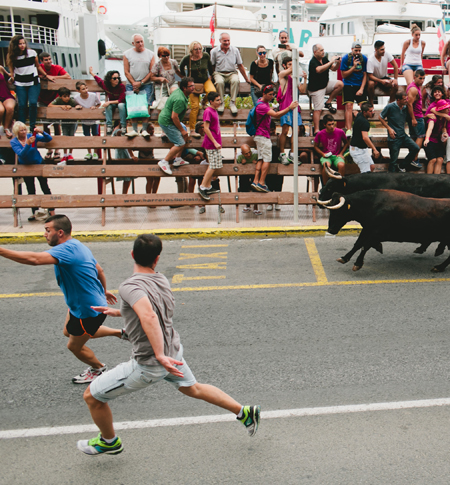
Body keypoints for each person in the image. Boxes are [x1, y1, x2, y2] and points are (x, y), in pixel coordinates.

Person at [78, 234, 260, 455]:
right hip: (174, 353)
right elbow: (151, 310)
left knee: (93, 397)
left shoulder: (129, 286)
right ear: (157, 259)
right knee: (193, 388)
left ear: (132, 255)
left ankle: (109, 441)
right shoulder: (161, 279)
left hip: (150, 363)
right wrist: (119, 312)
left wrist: (159, 354)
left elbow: (149, 316)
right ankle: (244, 413)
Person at [0, 214, 123, 384]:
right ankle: (120, 333)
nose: (44, 234)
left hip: (87, 310)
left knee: (74, 346)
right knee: (68, 331)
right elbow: (99, 270)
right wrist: (103, 291)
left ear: (59, 232)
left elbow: (34, 259)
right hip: (84, 305)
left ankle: (98, 368)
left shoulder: (65, 250)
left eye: (47, 230)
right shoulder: (78, 245)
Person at [250, 85, 298, 193]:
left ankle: (255, 180)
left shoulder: (260, 102)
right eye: (270, 94)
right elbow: (276, 115)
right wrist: (289, 108)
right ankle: (262, 182)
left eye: (273, 94)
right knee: (267, 159)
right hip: (263, 136)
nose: (272, 96)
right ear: (264, 94)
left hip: (259, 136)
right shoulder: (262, 106)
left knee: (261, 158)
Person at [9, 121, 54, 221]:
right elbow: (21, 154)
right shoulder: (14, 142)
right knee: (30, 189)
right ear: (17, 131)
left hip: (38, 163)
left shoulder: (31, 136)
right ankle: (35, 212)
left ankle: (52, 210)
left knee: (44, 186)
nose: (24, 132)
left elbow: (48, 139)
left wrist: (41, 132)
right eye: (21, 130)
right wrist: (28, 144)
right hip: (26, 167)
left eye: (25, 129)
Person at [7, 34, 50, 133]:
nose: (22, 45)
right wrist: (11, 77)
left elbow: (38, 66)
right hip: (20, 83)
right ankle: (21, 127)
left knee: (33, 103)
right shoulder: (12, 56)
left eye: (23, 43)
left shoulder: (31, 53)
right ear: (15, 45)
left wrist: (46, 75)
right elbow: (12, 70)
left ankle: (32, 126)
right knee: (22, 105)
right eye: (20, 44)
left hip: (33, 82)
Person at [157, 77, 194, 175]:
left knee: (185, 132)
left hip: (168, 119)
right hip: (167, 122)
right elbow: (174, 117)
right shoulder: (180, 99)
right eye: (190, 86)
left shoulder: (180, 93)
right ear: (184, 88)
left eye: (193, 85)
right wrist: (182, 130)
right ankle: (164, 161)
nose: (193, 88)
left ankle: (178, 158)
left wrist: (183, 130)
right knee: (180, 143)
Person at [379, 91, 420, 173]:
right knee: (393, 160)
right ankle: (391, 177)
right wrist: (389, 128)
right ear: (398, 99)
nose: (406, 101)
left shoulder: (405, 107)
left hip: (403, 135)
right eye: (404, 99)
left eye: (407, 99)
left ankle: (402, 165)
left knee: (415, 148)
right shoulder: (390, 106)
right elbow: (380, 117)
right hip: (394, 137)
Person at [180, 41, 216, 132]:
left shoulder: (205, 56)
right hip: (193, 83)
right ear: (192, 50)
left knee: (212, 92)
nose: (199, 51)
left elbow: (210, 67)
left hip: (205, 80)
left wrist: (212, 76)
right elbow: (181, 67)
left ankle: (204, 102)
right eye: (196, 49)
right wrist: (185, 78)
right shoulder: (187, 58)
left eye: (200, 48)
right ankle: (192, 129)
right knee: (195, 106)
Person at [276, 58, 306, 165]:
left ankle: (293, 154)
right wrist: (293, 67)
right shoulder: (283, 75)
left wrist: (305, 79)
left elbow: (302, 90)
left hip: (295, 107)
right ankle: (282, 153)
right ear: (284, 65)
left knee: (296, 130)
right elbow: (284, 73)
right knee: (285, 130)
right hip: (286, 106)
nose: (292, 66)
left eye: (293, 64)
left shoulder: (295, 77)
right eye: (289, 64)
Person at [210, 33, 248, 115]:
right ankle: (221, 103)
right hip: (219, 73)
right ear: (220, 41)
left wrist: (246, 79)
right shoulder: (214, 51)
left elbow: (240, 65)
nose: (227, 42)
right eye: (224, 41)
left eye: (228, 40)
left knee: (235, 80)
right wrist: (212, 77)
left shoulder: (235, 50)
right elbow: (212, 65)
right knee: (219, 82)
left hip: (232, 72)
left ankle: (232, 103)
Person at [308, 44, 342, 133]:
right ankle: (316, 130)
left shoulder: (324, 59)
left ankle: (329, 101)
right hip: (316, 88)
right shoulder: (313, 61)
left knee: (340, 84)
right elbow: (319, 70)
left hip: (325, 84)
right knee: (318, 109)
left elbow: (334, 69)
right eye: (321, 50)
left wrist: (337, 63)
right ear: (315, 52)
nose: (323, 52)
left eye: (323, 50)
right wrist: (331, 61)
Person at [196, 91, 224, 201]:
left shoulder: (214, 110)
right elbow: (206, 128)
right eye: (217, 100)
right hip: (211, 143)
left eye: (220, 99)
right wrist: (215, 142)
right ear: (211, 101)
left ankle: (208, 186)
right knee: (212, 165)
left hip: (215, 142)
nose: (220, 102)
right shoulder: (208, 111)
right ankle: (203, 186)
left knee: (216, 164)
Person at [90, 67, 127, 137]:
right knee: (108, 106)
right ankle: (109, 126)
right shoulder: (106, 85)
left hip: (120, 104)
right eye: (114, 78)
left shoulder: (121, 86)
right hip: (113, 104)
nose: (117, 80)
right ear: (109, 79)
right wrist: (92, 73)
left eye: (118, 78)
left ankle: (123, 126)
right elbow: (99, 80)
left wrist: (109, 102)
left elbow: (121, 100)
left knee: (121, 105)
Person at [340, 42, 368, 132]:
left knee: (364, 107)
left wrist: (362, 88)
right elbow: (343, 75)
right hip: (348, 84)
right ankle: (349, 129)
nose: (357, 52)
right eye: (356, 50)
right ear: (352, 49)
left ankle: (365, 128)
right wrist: (353, 67)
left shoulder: (363, 58)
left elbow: (365, 74)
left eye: (359, 50)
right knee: (349, 106)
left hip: (359, 84)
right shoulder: (346, 58)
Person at [123, 34, 156, 111]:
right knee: (132, 106)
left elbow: (152, 71)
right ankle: (133, 123)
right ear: (133, 43)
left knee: (146, 105)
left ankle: (145, 123)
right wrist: (134, 83)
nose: (140, 44)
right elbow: (126, 71)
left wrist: (141, 82)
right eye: (138, 42)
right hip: (131, 85)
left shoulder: (150, 54)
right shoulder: (127, 54)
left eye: (141, 41)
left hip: (146, 84)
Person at [314, 114, 348, 184]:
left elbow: (347, 143)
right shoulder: (320, 134)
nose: (332, 126)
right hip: (326, 156)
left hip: (337, 155)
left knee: (341, 165)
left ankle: (339, 185)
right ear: (324, 125)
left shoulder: (340, 132)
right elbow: (315, 146)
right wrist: (322, 154)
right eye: (329, 125)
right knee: (326, 165)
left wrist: (341, 153)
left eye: (333, 124)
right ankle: (325, 186)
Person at [49, 86, 80, 162]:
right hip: (64, 122)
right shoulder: (58, 101)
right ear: (60, 97)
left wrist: (74, 107)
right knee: (65, 137)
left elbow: (77, 106)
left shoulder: (72, 101)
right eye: (64, 96)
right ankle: (65, 154)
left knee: (71, 137)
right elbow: (50, 105)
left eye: (68, 96)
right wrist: (61, 106)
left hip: (73, 121)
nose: (67, 98)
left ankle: (70, 154)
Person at [74, 80, 104, 160]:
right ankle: (89, 153)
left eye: (86, 88)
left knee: (95, 136)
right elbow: (75, 105)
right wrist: (77, 107)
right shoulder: (76, 98)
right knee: (87, 137)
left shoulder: (93, 96)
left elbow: (99, 103)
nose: (86, 90)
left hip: (94, 120)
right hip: (85, 120)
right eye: (83, 89)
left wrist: (95, 107)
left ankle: (95, 153)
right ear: (78, 91)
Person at [350, 102, 381, 173]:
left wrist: (354, 111)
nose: (372, 113)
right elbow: (365, 137)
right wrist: (374, 149)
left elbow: (356, 113)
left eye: (373, 110)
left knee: (371, 167)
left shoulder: (359, 115)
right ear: (364, 112)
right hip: (358, 151)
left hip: (362, 149)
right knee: (365, 172)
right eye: (370, 111)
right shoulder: (364, 122)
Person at [400, 25, 425, 89]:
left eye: (419, 35)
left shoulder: (422, 43)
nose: (418, 37)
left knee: (419, 83)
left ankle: (418, 97)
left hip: (418, 64)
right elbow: (402, 54)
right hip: (408, 64)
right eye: (416, 35)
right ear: (412, 34)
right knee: (410, 83)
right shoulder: (407, 42)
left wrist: (421, 63)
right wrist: (401, 65)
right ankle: (408, 98)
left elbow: (421, 54)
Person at [236, 144, 259, 214]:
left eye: (249, 152)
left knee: (256, 188)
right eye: (246, 154)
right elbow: (236, 167)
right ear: (242, 153)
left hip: (254, 173)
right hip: (244, 173)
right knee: (244, 187)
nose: (249, 155)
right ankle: (247, 205)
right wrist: (241, 164)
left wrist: (257, 163)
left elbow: (261, 162)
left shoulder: (255, 154)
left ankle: (256, 207)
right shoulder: (239, 156)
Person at [0, 63, 16, 132]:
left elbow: (9, 75)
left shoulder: (0, 68)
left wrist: (11, 78)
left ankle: (6, 128)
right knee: (1, 110)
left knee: (10, 108)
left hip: (6, 94)